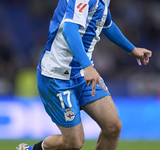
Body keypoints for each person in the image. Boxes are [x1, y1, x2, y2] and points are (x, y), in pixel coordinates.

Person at [16, 0, 152, 149]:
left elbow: (106, 24)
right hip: (57, 76)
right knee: (74, 143)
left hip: (81, 74)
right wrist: (87, 66)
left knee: (113, 127)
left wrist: (131, 49)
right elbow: (69, 30)